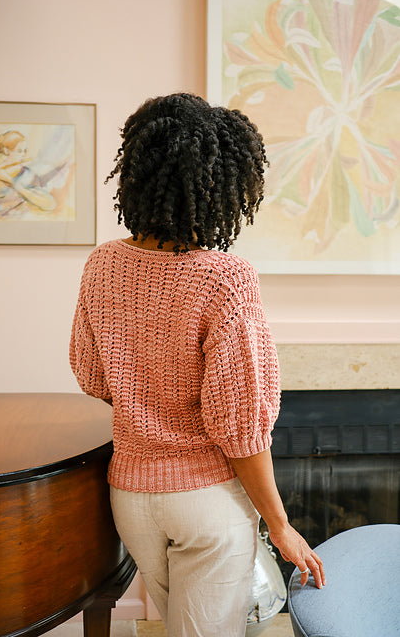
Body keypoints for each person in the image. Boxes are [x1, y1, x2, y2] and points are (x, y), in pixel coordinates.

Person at [70, 93, 325, 637]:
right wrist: (280, 526)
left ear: (138, 174)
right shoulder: (225, 280)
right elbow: (242, 427)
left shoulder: (102, 264)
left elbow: (91, 375)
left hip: (131, 499)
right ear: (223, 189)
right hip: (206, 504)